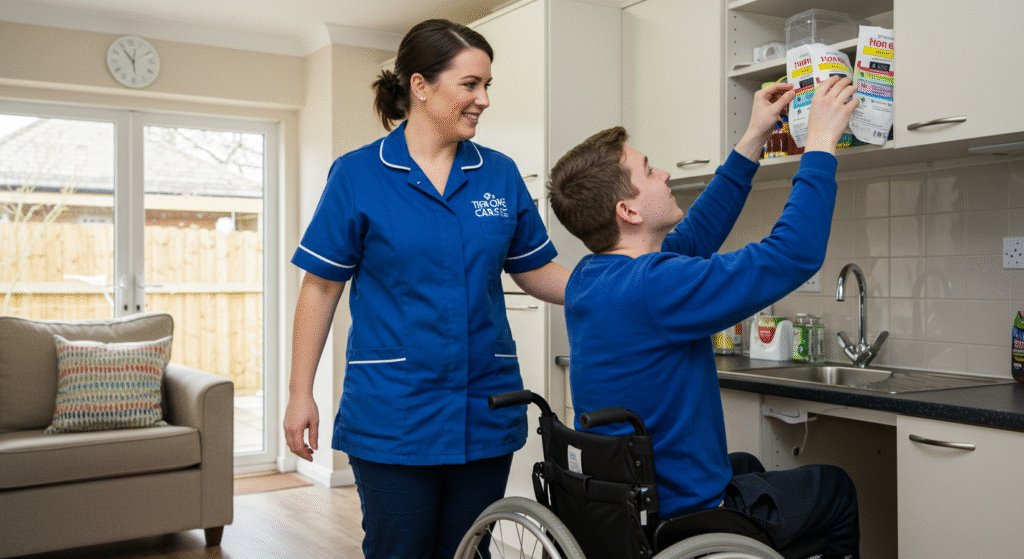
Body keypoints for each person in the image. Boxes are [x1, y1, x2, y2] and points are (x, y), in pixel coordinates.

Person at [283, 19, 570, 559]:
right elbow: (320, 288)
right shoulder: (358, 174)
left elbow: (536, 270)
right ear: (420, 85)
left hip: (484, 405)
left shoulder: (499, 175)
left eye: (488, 86)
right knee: (401, 549)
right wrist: (302, 393)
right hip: (394, 410)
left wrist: (616, 287)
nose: (483, 99)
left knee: (470, 550)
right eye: (470, 85)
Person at [547, 76, 862, 558]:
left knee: (748, 464)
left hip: (630, 504)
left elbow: (693, 238)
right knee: (835, 488)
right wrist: (820, 143)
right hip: (683, 515)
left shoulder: (595, 277)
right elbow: (793, 253)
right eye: (649, 170)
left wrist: (754, 136)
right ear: (628, 209)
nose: (665, 174)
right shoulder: (654, 287)